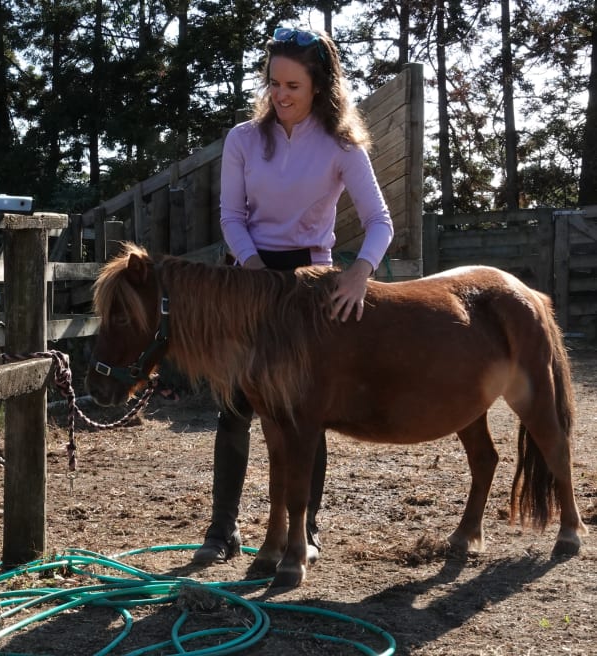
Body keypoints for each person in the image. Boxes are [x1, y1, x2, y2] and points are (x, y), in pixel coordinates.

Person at [192, 26, 394, 566]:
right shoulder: (242, 139)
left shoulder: (342, 146)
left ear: (319, 86)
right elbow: (231, 217)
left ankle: (307, 528)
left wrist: (360, 274)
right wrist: (256, 272)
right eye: (274, 83)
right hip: (250, 274)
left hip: (310, 283)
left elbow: (380, 221)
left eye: (293, 86)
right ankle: (222, 529)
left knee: (307, 411)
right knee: (235, 407)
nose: (280, 95)